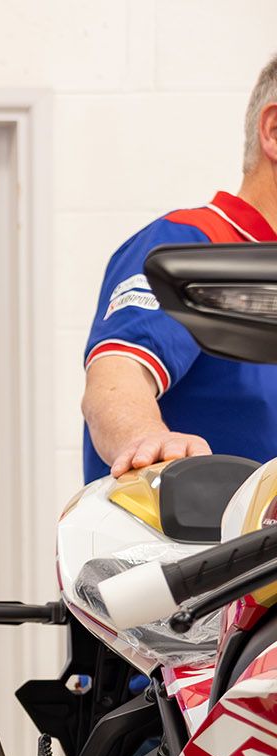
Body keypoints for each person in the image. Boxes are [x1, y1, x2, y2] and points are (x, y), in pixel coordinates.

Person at [80, 54, 277, 479]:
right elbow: (117, 377)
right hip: (202, 521)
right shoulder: (192, 245)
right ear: (274, 131)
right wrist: (144, 439)